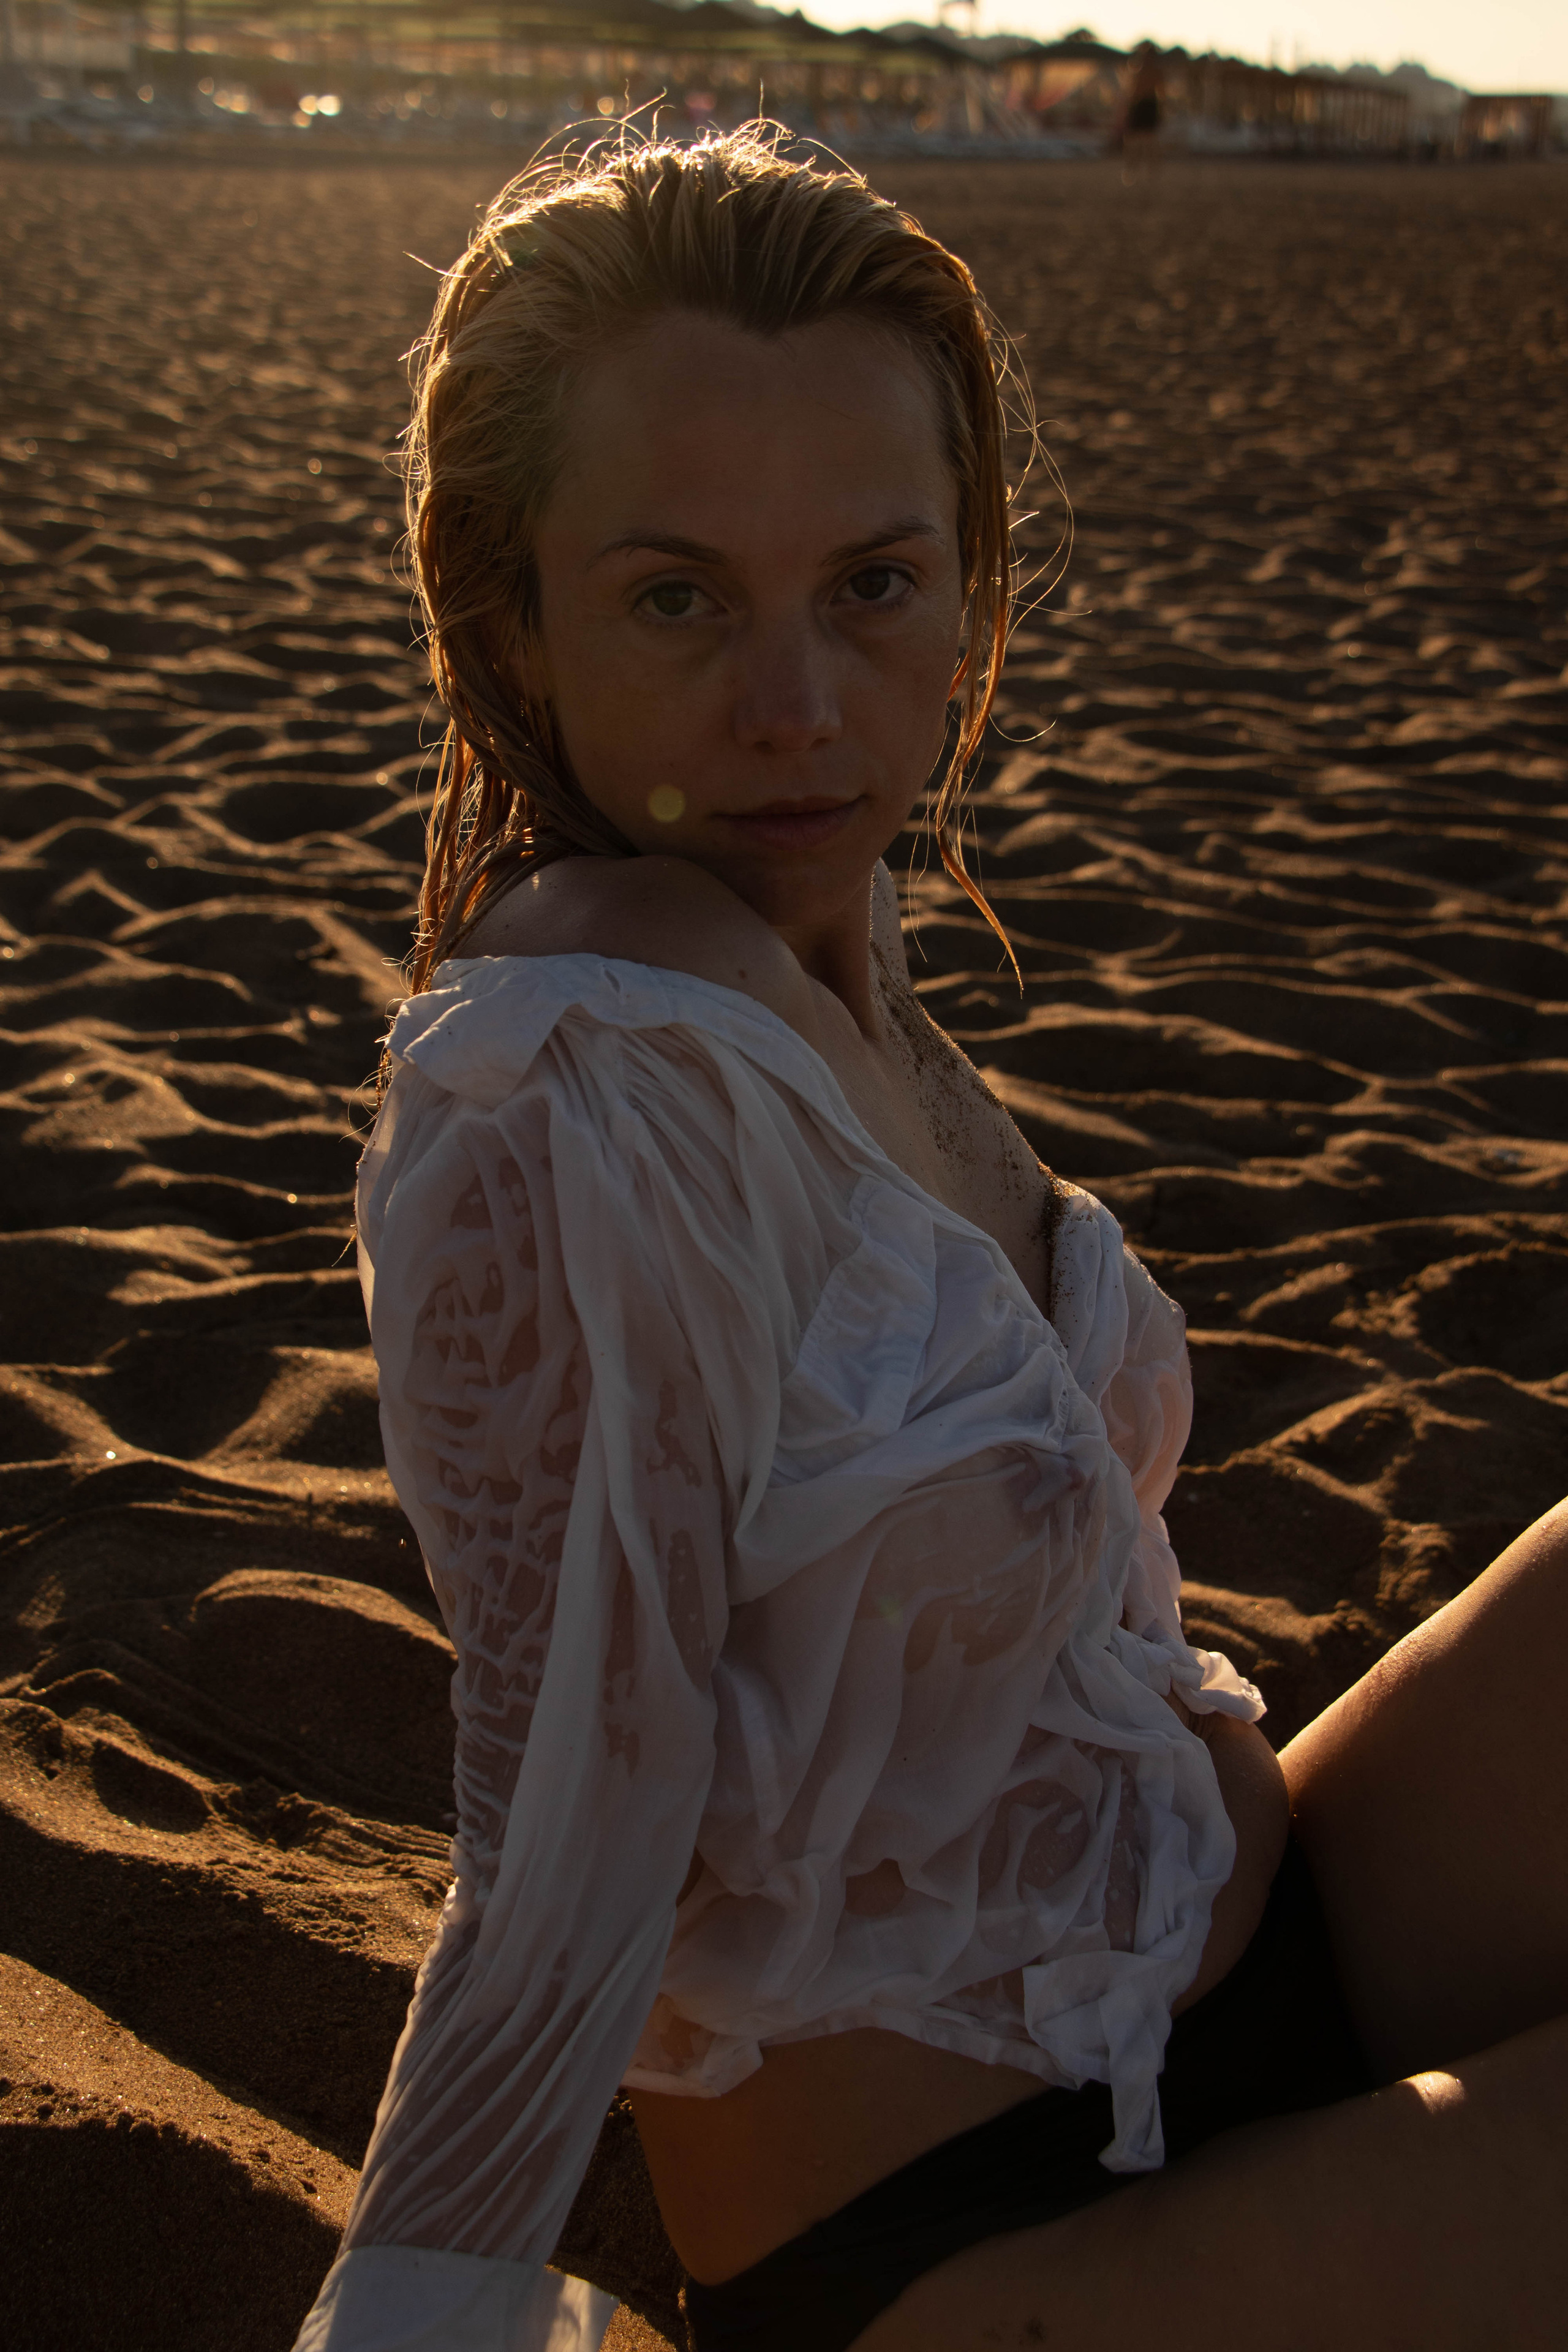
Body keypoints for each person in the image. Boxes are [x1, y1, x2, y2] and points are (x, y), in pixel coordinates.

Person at [296, 128, 1567, 2352]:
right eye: (676, 597)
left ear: (970, 577)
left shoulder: (815, 914)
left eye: (872, 585)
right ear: (514, 611)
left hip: (1246, 1941)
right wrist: (420, 2315)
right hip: (975, 2237)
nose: (796, 707)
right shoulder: (590, 1074)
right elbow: (567, 1814)